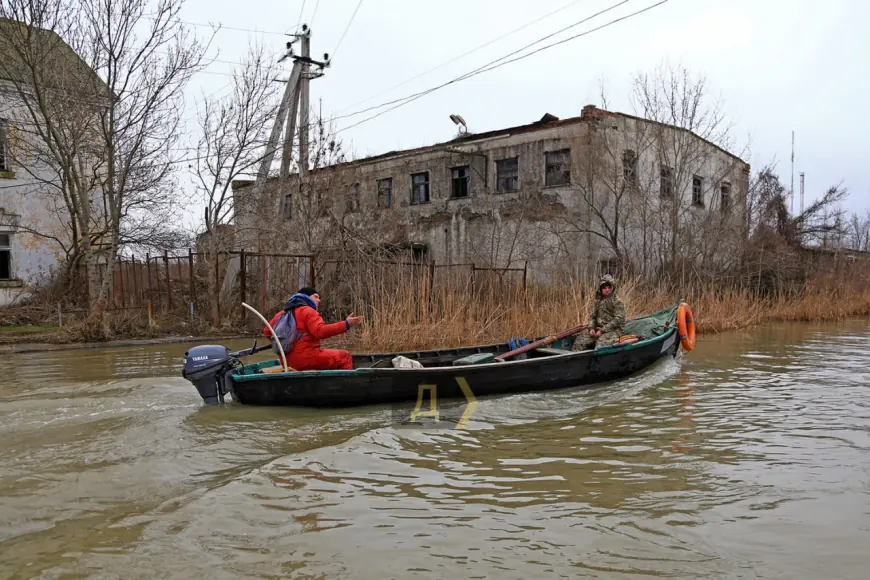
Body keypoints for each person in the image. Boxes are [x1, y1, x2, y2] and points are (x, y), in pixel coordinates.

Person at [263, 287, 364, 371]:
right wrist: (346, 324)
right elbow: (320, 332)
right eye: (316, 297)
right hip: (306, 359)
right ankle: (344, 389)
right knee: (344, 357)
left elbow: (267, 332)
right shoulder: (308, 311)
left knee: (324, 354)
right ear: (307, 297)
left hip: (286, 361)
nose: (319, 300)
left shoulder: (282, 313)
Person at [573, 274, 626, 351]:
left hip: (614, 331)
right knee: (579, 341)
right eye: (604, 288)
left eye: (609, 287)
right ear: (601, 289)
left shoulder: (617, 301)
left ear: (612, 288)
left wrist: (602, 330)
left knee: (601, 347)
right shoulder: (598, 301)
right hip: (598, 330)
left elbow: (618, 319)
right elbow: (592, 317)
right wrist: (591, 328)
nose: (607, 290)